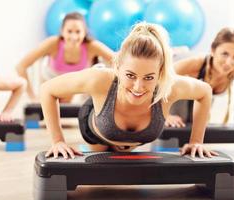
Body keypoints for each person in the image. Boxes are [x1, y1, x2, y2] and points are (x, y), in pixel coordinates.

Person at [41, 22, 218, 159]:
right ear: (117, 67)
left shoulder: (169, 87)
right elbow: (48, 90)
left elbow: (205, 92)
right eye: (131, 75)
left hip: (132, 139)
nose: (138, 87)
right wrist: (58, 141)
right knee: (101, 161)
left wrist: (196, 141)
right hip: (96, 124)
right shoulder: (99, 79)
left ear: (160, 73)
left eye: (149, 77)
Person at [165, 27, 234, 128]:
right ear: (212, 50)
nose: (229, 62)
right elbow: (158, 79)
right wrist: (165, 115)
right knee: (177, 123)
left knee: (198, 128)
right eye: (225, 54)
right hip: (175, 96)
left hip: (199, 103)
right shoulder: (196, 63)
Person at [16, 12, 114, 102]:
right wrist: (32, 96)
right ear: (62, 31)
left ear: (85, 32)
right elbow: (21, 66)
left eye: (78, 32)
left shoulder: (92, 46)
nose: (74, 37)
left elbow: (119, 61)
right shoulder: (53, 44)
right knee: (36, 113)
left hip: (77, 91)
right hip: (51, 87)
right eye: (69, 31)